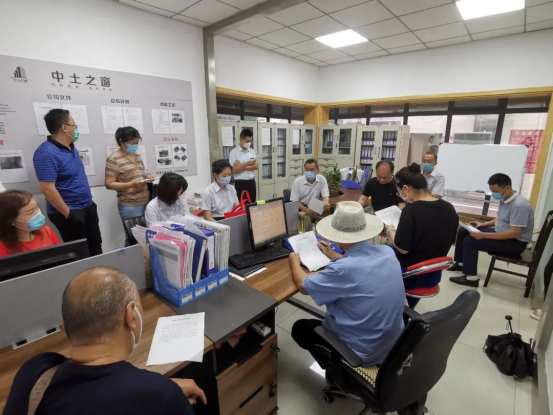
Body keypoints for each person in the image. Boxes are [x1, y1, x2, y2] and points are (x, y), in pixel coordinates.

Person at [3, 267, 205, 415]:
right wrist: (162, 392)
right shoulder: (163, 398)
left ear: (65, 326)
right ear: (131, 317)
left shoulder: (34, 371)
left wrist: (156, 388)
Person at [289, 201, 405, 367]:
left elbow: (303, 286)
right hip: (391, 345)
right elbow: (361, 264)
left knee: (300, 328)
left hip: (360, 353)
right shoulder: (387, 252)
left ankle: (339, 369)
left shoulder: (342, 270)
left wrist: (294, 262)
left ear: (336, 235)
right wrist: (334, 255)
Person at [384, 163, 458, 306]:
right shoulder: (449, 208)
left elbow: (402, 248)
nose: (401, 196)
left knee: (376, 256)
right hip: (433, 272)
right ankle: (407, 307)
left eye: (399, 192)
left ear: (406, 189)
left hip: (411, 274)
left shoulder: (411, 210)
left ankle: (390, 308)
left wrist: (389, 230)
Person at [33, 109, 102, 256]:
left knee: (96, 246)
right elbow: (47, 188)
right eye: (74, 126)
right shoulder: (46, 153)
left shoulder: (71, 147)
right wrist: (68, 214)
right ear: (65, 128)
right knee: (81, 254)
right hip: (69, 211)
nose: (76, 129)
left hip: (87, 206)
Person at [449, 173, 535, 287]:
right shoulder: (506, 199)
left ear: (507, 188)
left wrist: (483, 235)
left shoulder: (519, 206)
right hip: (501, 233)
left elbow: (514, 233)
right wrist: (483, 224)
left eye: (495, 191)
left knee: (470, 241)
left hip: (515, 243)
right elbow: (501, 218)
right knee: (463, 231)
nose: (493, 194)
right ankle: (460, 264)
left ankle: (470, 278)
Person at [105, 126, 153, 222]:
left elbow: (138, 174)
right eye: (132, 143)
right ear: (121, 141)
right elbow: (109, 184)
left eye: (136, 143)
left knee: (149, 230)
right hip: (130, 206)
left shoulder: (137, 156)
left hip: (147, 202)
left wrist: (147, 177)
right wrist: (132, 184)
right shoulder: (113, 159)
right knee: (134, 231)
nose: (134, 146)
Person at [0, 190, 60, 257]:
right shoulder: (3, 247)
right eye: (31, 212)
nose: (38, 213)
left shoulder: (46, 230)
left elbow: (61, 254)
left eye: (37, 207)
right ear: (11, 221)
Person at [229, 129, 258, 202]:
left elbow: (256, 167)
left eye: (250, 141)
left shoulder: (252, 151)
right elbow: (234, 170)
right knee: (242, 205)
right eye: (247, 141)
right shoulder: (233, 152)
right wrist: (248, 164)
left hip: (251, 182)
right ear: (241, 140)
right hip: (240, 183)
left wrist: (241, 166)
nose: (249, 143)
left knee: (252, 204)